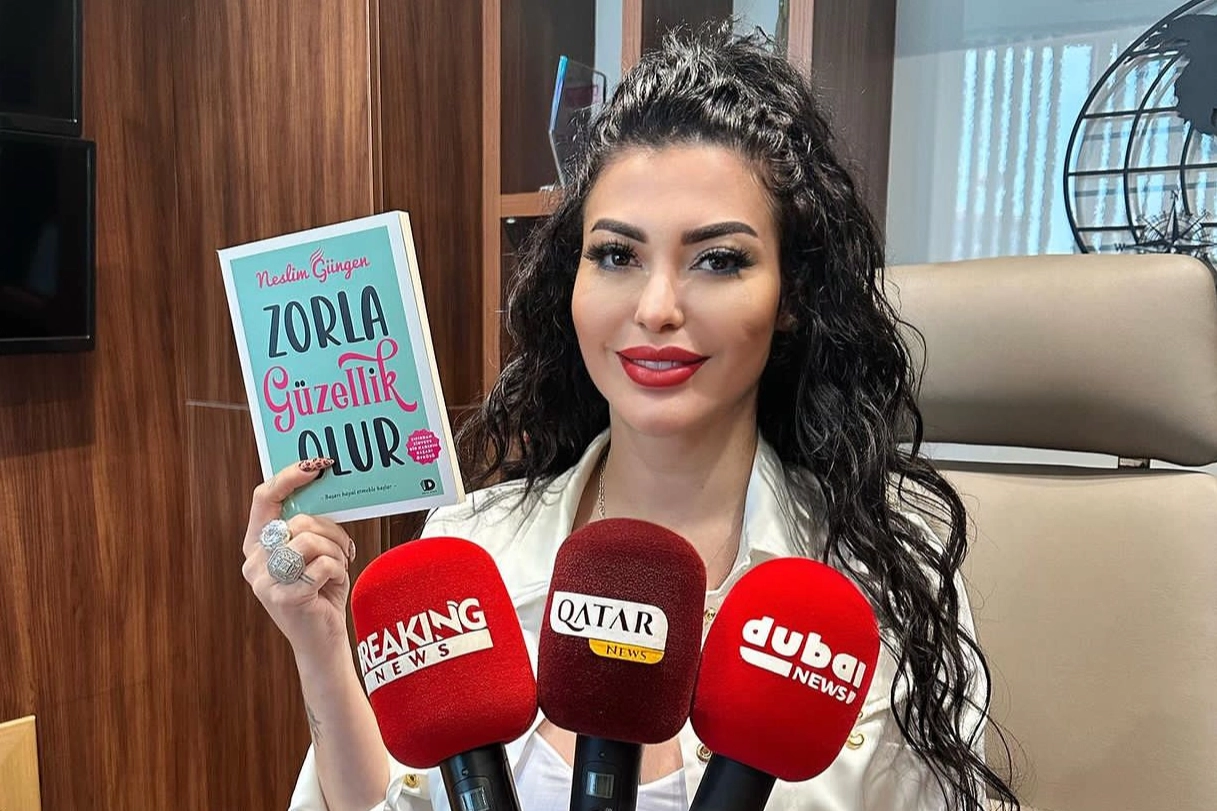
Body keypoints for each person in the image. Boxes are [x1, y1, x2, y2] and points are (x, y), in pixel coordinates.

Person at [241, 23, 1020, 811]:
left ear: (790, 294)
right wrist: (319, 645)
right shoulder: (468, 549)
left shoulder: (882, 585)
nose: (655, 308)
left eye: (719, 259)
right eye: (616, 255)